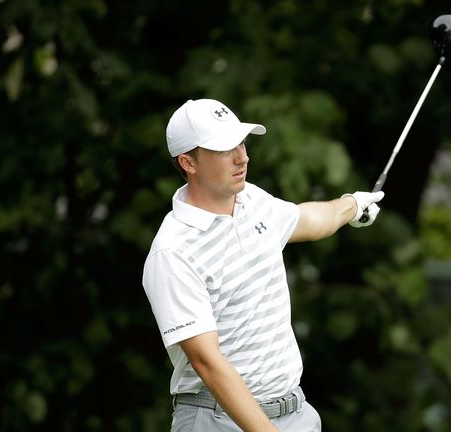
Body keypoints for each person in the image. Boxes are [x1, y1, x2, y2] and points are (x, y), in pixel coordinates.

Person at [142, 98, 384, 432]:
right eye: (225, 148)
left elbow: (309, 219)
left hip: (294, 412)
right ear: (188, 162)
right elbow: (207, 362)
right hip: (217, 420)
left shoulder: (250, 201)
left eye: (241, 142)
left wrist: (353, 205)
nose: (242, 156)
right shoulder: (173, 251)